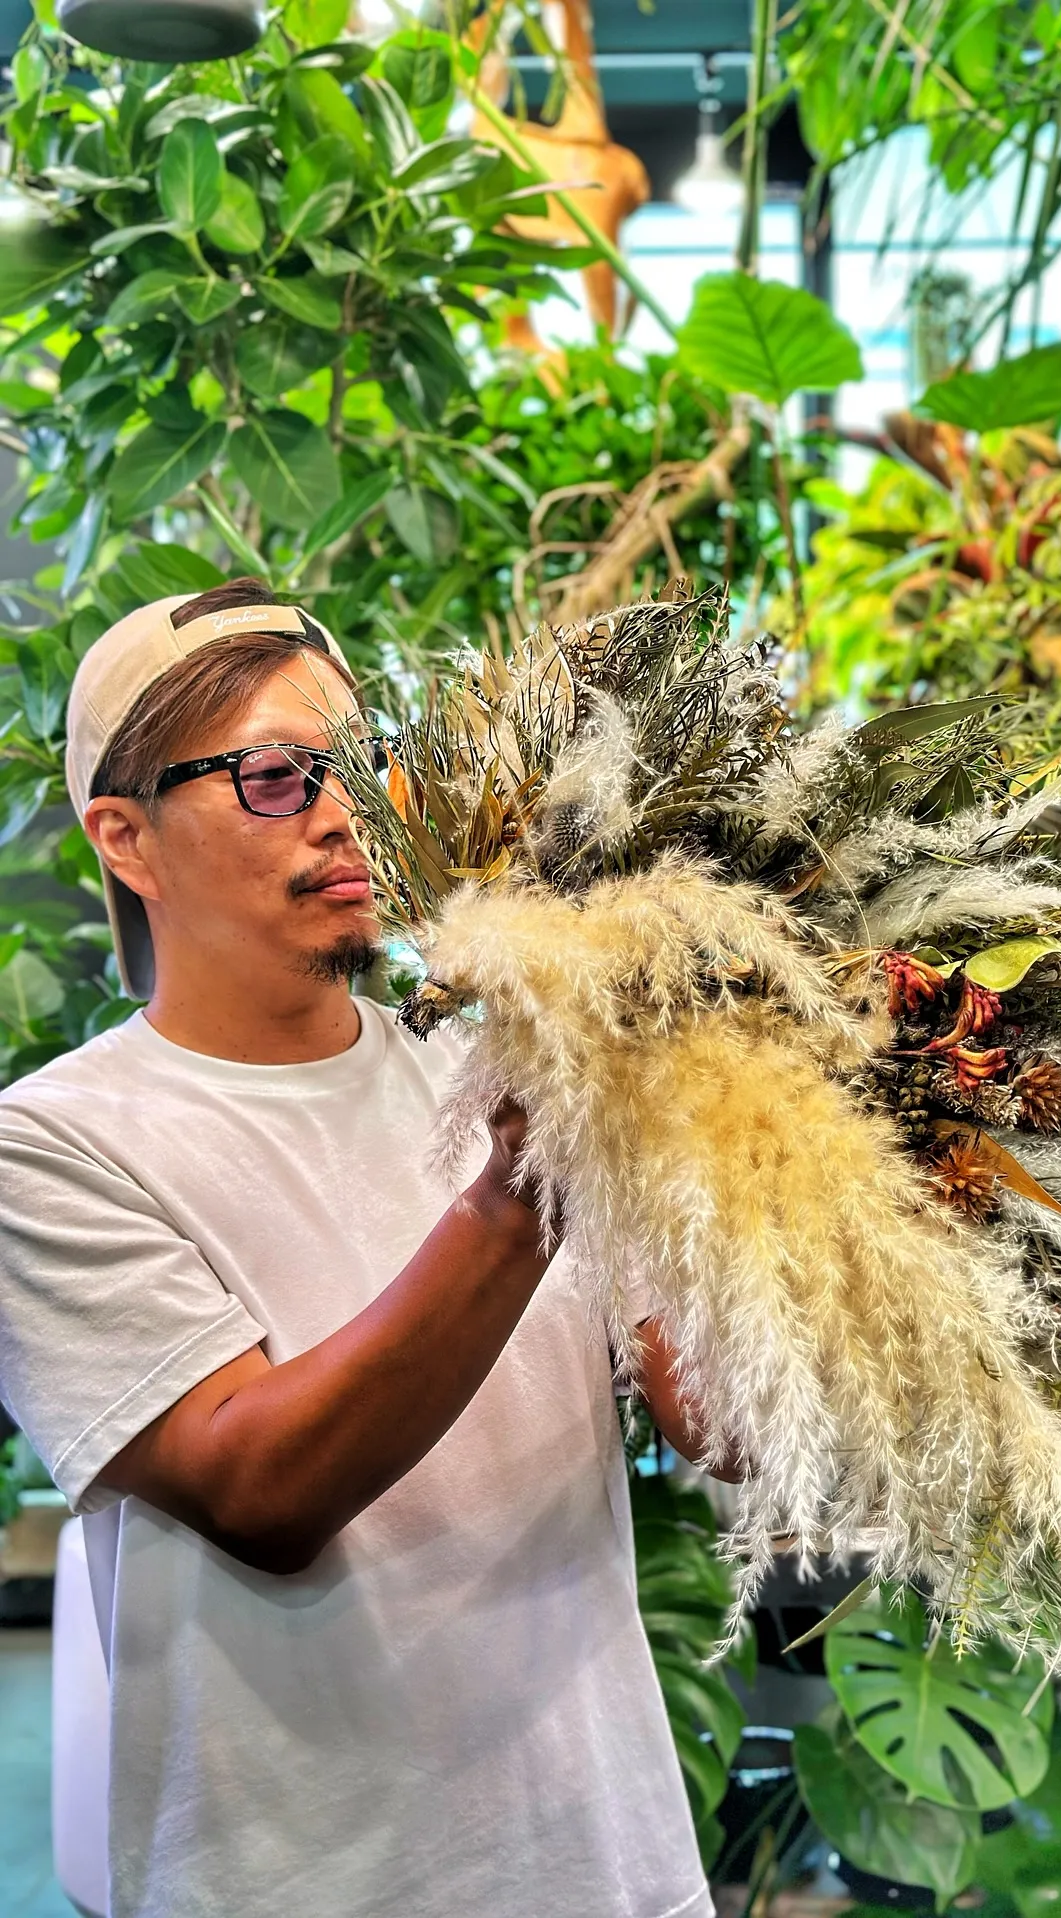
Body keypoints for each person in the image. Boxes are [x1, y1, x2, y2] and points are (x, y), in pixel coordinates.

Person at [0, 579, 721, 1918]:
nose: (345, 810)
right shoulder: (51, 1145)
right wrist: (519, 1190)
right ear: (124, 838)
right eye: (274, 775)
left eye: (354, 762)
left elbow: (720, 1416)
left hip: (610, 1868)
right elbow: (260, 1484)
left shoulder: (491, 1062)